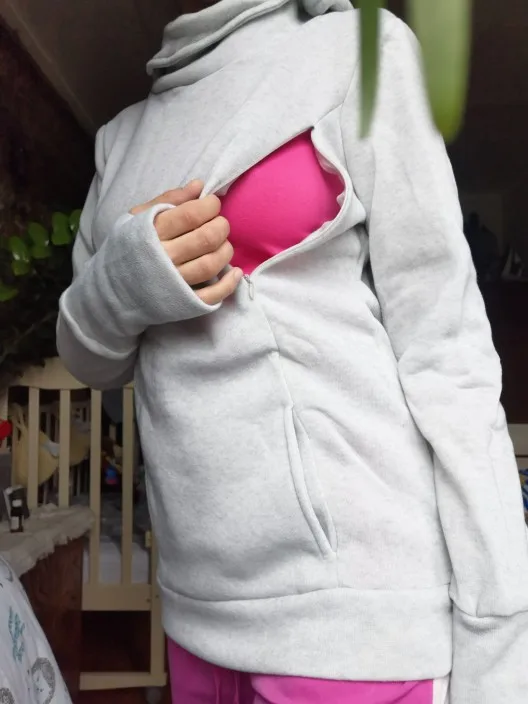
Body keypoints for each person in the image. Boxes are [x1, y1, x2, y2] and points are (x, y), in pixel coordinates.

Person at [57, 0, 528, 702]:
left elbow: (447, 351)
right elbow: (89, 357)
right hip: (194, 612)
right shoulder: (119, 142)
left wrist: (500, 628)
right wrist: (124, 283)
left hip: (357, 622)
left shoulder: (357, 51)